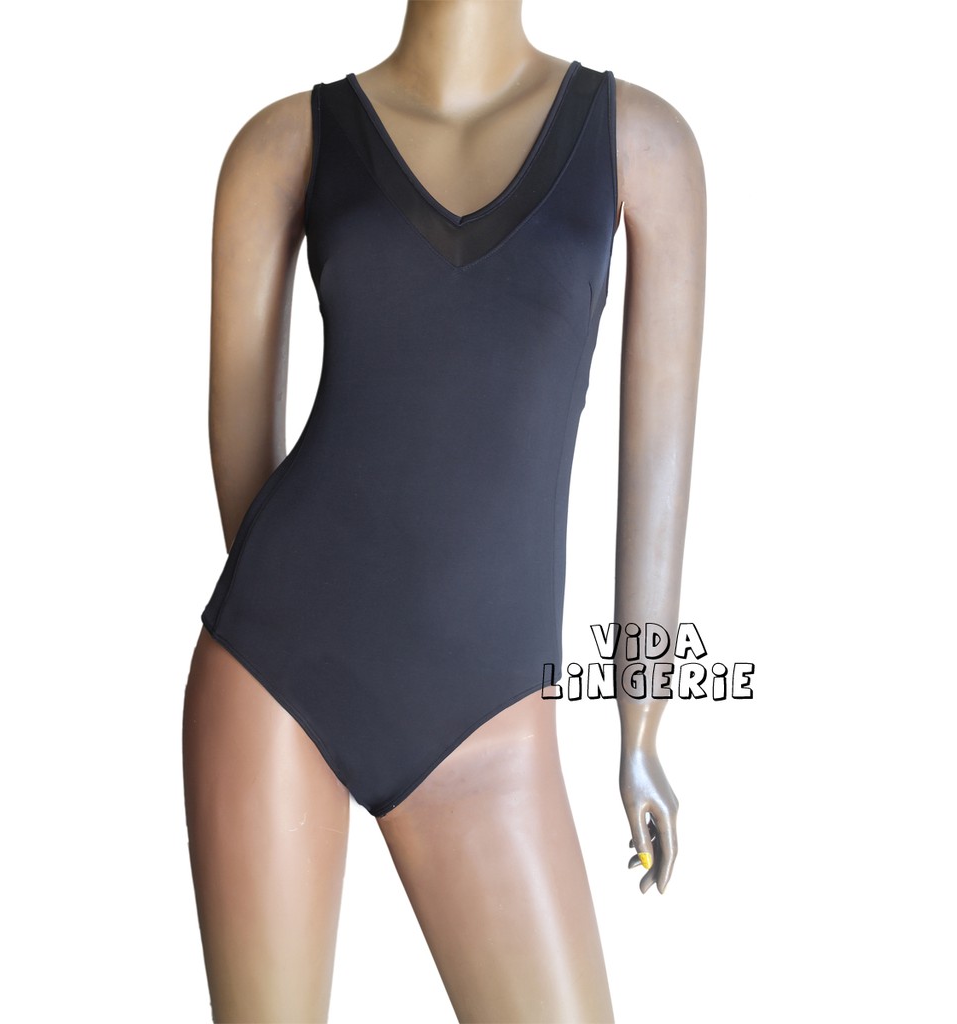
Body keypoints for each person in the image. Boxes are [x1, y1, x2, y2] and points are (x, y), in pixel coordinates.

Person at [182, 1, 705, 1020]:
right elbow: (239, 451)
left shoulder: (641, 144)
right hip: (275, 674)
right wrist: (315, 647)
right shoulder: (282, 144)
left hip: (491, 726)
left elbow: (656, 463)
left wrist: (640, 727)